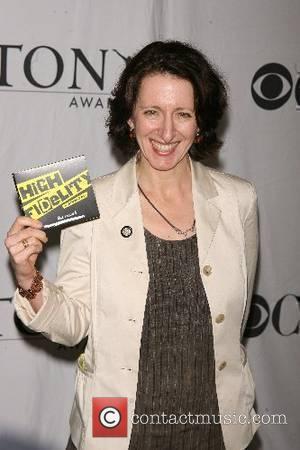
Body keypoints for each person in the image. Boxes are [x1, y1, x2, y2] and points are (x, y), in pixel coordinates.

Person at [5, 40, 259, 450]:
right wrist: (28, 276)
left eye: (183, 114)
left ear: (200, 125)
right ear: (130, 118)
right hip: (116, 432)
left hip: (217, 431)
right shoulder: (90, 201)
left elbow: (235, 320)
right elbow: (73, 327)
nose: (165, 131)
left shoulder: (238, 200)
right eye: (152, 112)